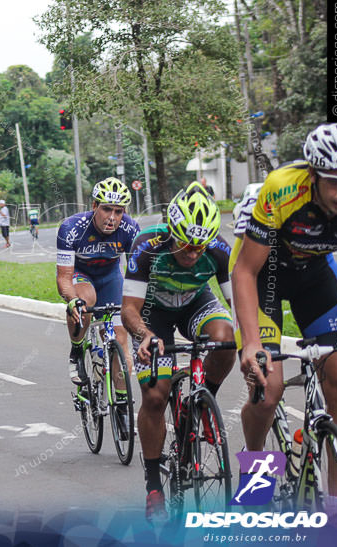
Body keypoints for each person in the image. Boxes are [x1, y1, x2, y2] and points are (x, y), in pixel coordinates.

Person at [233, 123, 337, 514]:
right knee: (268, 389)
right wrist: (251, 343)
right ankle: (255, 475)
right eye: (335, 182)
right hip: (266, 273)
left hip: (316, 274)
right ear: (313, 175)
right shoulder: (283, 187)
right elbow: (245, 271)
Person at [121, 182, 234, 522]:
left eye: (200, 246)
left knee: (226, 337)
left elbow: (238, 306)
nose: (194, 253)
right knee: (155, 395)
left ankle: (200, 405)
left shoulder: (217, 250)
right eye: (186, 244)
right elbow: (129, 309)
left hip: (195, 304)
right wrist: (144, 335)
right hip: (153, 314)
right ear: (172, 231)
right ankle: (154, 484)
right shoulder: (146, 247)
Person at [58, 177, 138, 387]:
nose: (112, 217)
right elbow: (64, 277)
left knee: (120, 342)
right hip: (81, 275)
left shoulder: (130, 229)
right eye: (106, 209)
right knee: (85, 301)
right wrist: (73, 300)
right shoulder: (72, 228)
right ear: (94, 206)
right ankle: (77, 350)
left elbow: (136, 275)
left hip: (110, 277)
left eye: (118, 211)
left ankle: (121, 406)